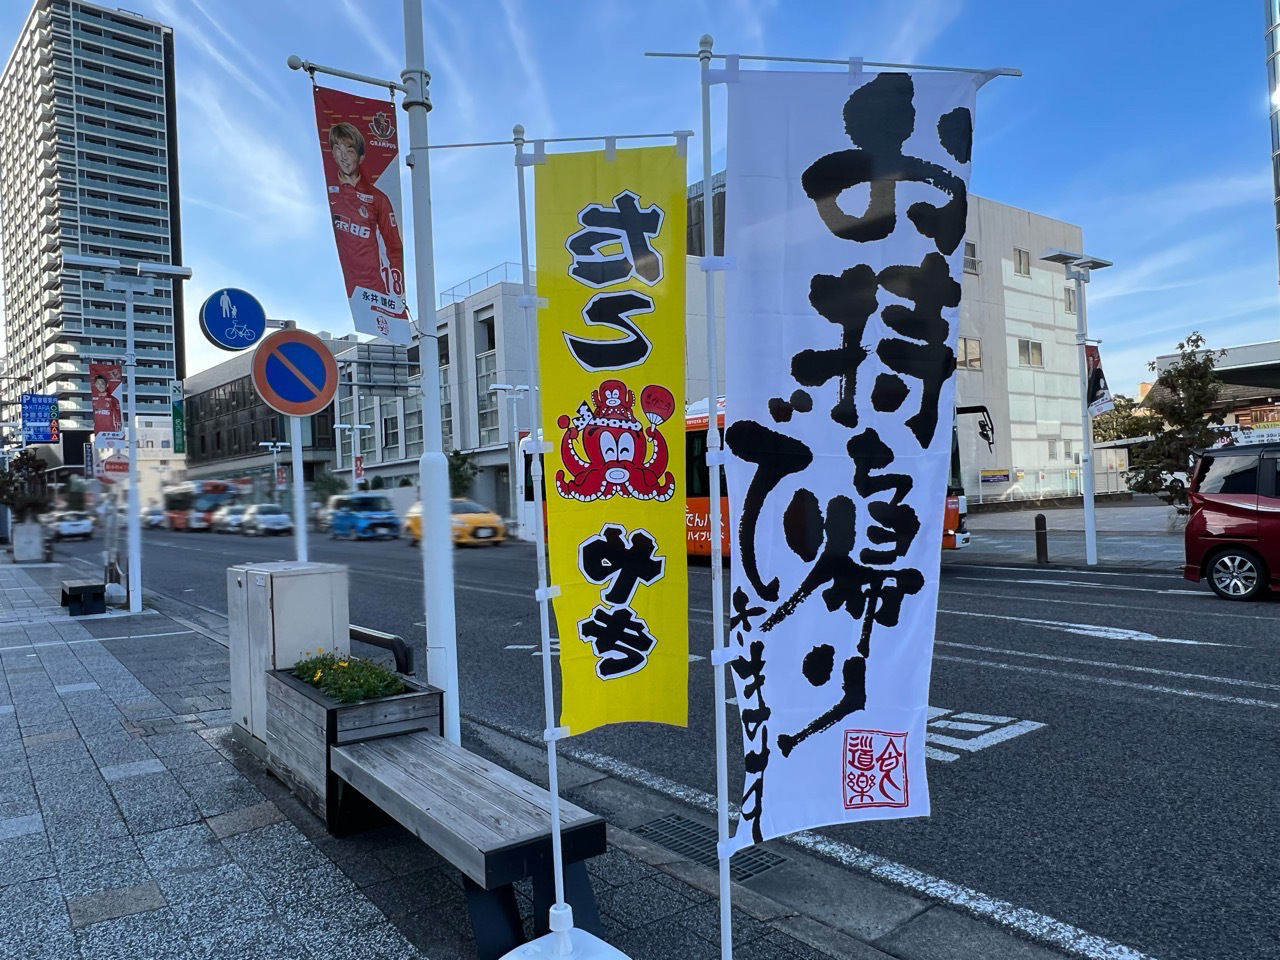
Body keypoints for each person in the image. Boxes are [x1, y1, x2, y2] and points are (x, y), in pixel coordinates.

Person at [326, 121, 405, 301]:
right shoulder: (328, 194)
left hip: (374, 290)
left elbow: (394, 247)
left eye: (350, 151)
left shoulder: (378, 198)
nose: (343, 157)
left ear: (360, 157)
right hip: (338, 289)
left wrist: (396, 291)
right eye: (338, 149)